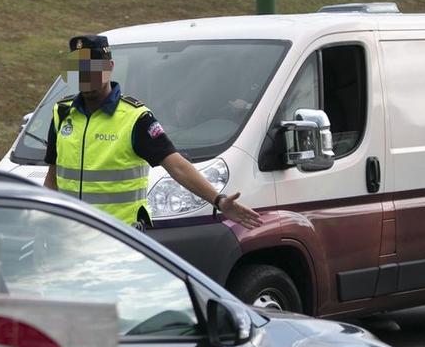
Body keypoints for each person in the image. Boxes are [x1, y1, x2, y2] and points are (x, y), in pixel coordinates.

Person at [43, 35, 262, 231]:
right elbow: (54, 175)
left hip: (118, 239)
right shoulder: (62, 113)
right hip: (68, 236)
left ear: (109, 66)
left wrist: (219, 201)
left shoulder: (135, 117)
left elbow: (177, 166)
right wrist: (40, 220)